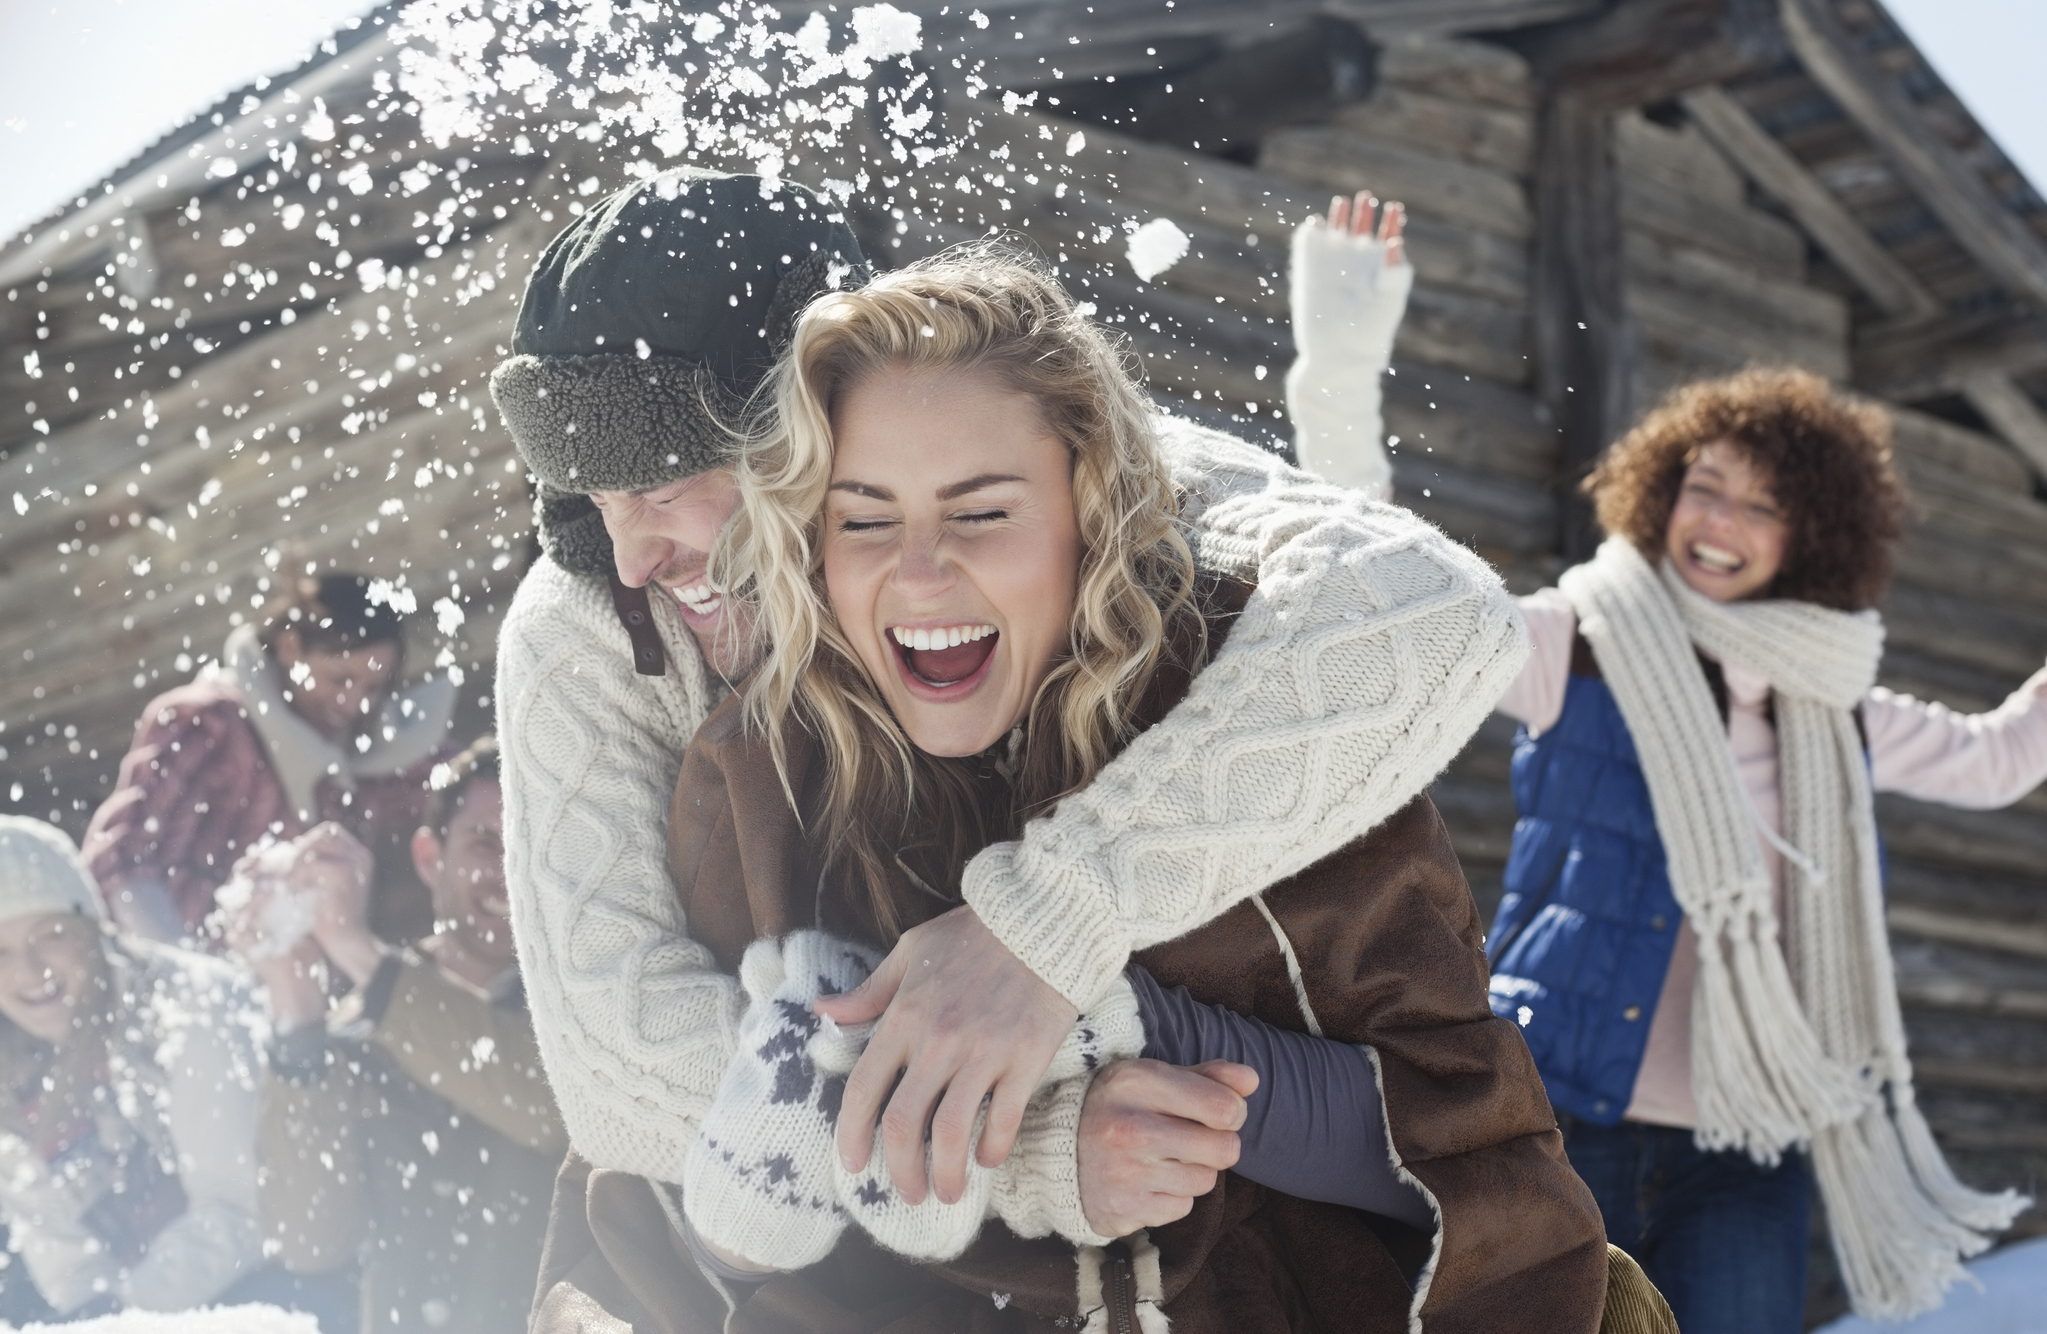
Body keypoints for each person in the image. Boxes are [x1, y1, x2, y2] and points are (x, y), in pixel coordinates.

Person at [574, 243, 1612, 1333]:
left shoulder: (1249, 720)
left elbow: (1470, 1152)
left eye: (981, 512)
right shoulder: (761, 780)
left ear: (1088, 509)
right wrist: (744, 1213)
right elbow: (637, 1252)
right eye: (866, 518)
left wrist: (1113, 1014)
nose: (919, 573)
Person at [1282, 207, 2047, 1330]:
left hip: (1747, 1146)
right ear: (1661, 487)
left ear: (1811, 537)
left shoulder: (1837, 712)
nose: (1719, 521)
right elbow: (1397, 600)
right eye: (1705, 485)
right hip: (1554, 1114)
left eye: (1763, 505)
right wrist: (1338, 367)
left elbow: (2004, 754)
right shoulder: (1574, 647)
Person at [233, 738, 566, 1334]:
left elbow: (544, 1109)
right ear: (428, 857)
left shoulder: (580, 1004)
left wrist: (358, 952)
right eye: (484, 840)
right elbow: (307, 1240)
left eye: (529, 840)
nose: (507, 865)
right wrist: (296, 1006)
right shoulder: (363, 1020)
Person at [81, 573, 456, 947]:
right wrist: (187, 980)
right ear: (290, 647)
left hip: (316, 994)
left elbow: (468, 783)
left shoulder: (374, 752)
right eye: (339, 679)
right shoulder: (207, 725)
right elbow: (120, 857)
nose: (355, 703)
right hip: (193, 967)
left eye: (374, 688)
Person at [0, 814, 268, 1319]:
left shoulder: (189, 1009)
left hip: (271, 1288)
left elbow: (243, 1211)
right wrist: (93, 1316)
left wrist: (124, 1314)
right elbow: (63, 1257)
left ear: (92, 926)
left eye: (50, 935)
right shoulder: (10, 1068)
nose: (28, 971)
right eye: (0, 951)